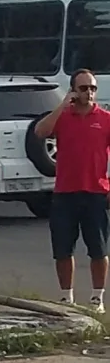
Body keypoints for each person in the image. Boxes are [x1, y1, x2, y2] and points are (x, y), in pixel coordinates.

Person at [34, 68, 109, 313]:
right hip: (65, 193)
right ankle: (67, 298)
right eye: (84, 88)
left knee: (98, 248)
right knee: (63, 249)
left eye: (93, 88)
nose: (89, 93)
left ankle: (97, 298)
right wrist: (62, 105)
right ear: (74, 90)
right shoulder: (63, 117)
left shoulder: (105, 119)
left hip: (95, 192)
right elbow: (40, 131)